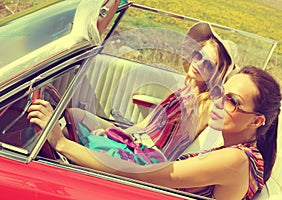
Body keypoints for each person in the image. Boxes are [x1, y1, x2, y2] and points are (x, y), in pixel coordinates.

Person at [28, 65, 281, 199]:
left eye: (232, 100)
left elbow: (145, 175)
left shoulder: (236, 160)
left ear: (257, 121)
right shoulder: (237, 153)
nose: (217, 101)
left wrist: (62, 144)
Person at [61, 22, 237, 162]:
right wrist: (117, 135)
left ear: (218, 73)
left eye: (208, 65)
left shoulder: (207, 105)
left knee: (69, 134)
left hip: (147, 158)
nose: (199, 64)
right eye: (198, 55)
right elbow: (145, 125)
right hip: (136, 141)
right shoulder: (184, 90)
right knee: (73, 115)